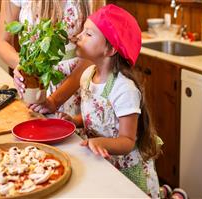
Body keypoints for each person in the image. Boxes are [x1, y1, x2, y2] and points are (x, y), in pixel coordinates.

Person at [57, 4, 161, 198]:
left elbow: (127, 141)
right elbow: (96, 115)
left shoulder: (124, 89)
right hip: (102, 162)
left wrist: (99, 142)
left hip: (125, 171)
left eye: (88, 34)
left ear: (111, 48)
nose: (78, 36)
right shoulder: (88, 75)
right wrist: (75, 121)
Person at [0, 0, 97, 117]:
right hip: (33, 84)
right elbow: (2, 42)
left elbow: (92, 54)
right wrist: (24, 66)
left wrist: (55, 100)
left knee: (71, 132)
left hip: (75, 85)